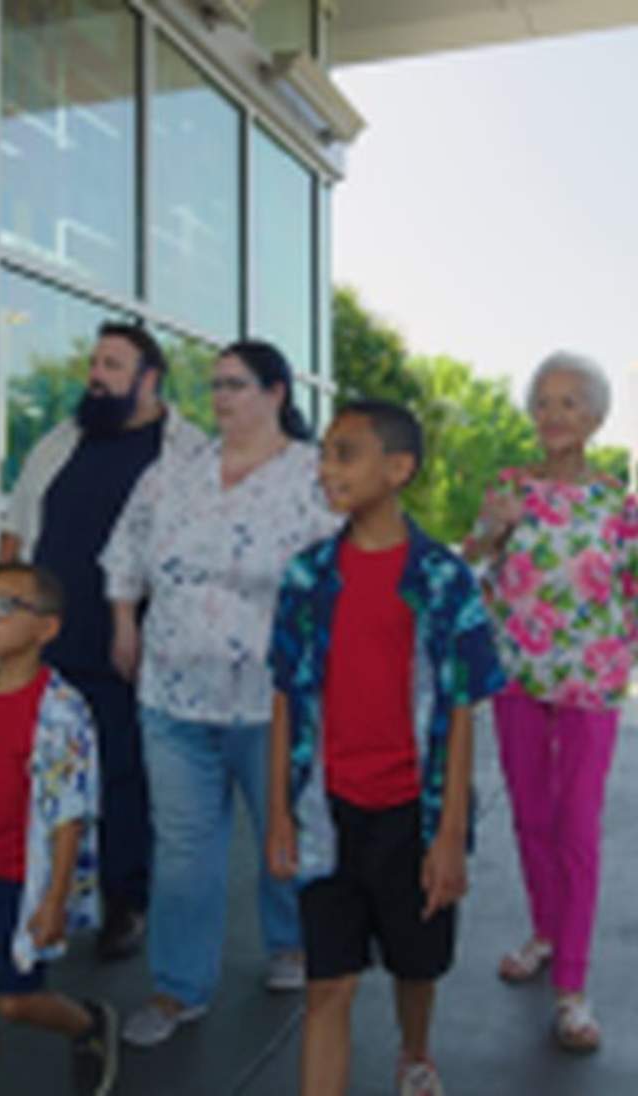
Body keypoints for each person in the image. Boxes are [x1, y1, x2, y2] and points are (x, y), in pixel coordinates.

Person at [100, 338, 339, 1047]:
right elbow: (125, 548)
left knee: (283, 832)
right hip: (172, 691)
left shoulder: (311, 478)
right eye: (215, 386)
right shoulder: (176, 471)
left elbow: (342, 572)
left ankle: (290, 943)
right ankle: (178, 989)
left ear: (276, 393)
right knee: (182, 849)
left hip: (272, 698)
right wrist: (122, 621)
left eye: (236, 384)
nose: (221, 398)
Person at [267, 399, 504, 1096]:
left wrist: (450, 831)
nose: (326, 466)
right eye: (325, 452)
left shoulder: (443, 580)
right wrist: (282, 809)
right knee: (327, 988)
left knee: (416, 962)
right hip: (326, 815)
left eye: (346, 452)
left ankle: (415, 1050)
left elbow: (461, 707)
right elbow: (286, 694)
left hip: (413, 814)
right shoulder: (307, 577)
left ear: (397, 469)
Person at [0, 321, 207, 961]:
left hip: (128, 647)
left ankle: (124, 902)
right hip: (46, 642)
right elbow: (15, 532)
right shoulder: (61, 441)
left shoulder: (185, 451)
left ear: (150, 379)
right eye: (96, 362)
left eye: (113, 364)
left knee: (122, 776)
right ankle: (31, 893)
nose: (97, 374)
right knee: (34, 775)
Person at [463, 351, 638, 1052]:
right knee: (531, 816)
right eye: (542, 401)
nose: (552, 415)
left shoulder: (619, 504)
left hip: (591, 683)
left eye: (568, 402)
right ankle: (543, 930)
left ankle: (572, 983)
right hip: (516, 675)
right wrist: (492, 530)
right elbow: (469, 565)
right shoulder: (508, 486)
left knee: (577, 828)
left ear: (595, 417)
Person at [0, 562, 116, 1096]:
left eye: (5, 606)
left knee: (15, 1001)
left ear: (45, 629)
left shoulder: (60, 712)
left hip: (19, 876)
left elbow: (70, 813)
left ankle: (88, 1025)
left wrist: (54, 899)